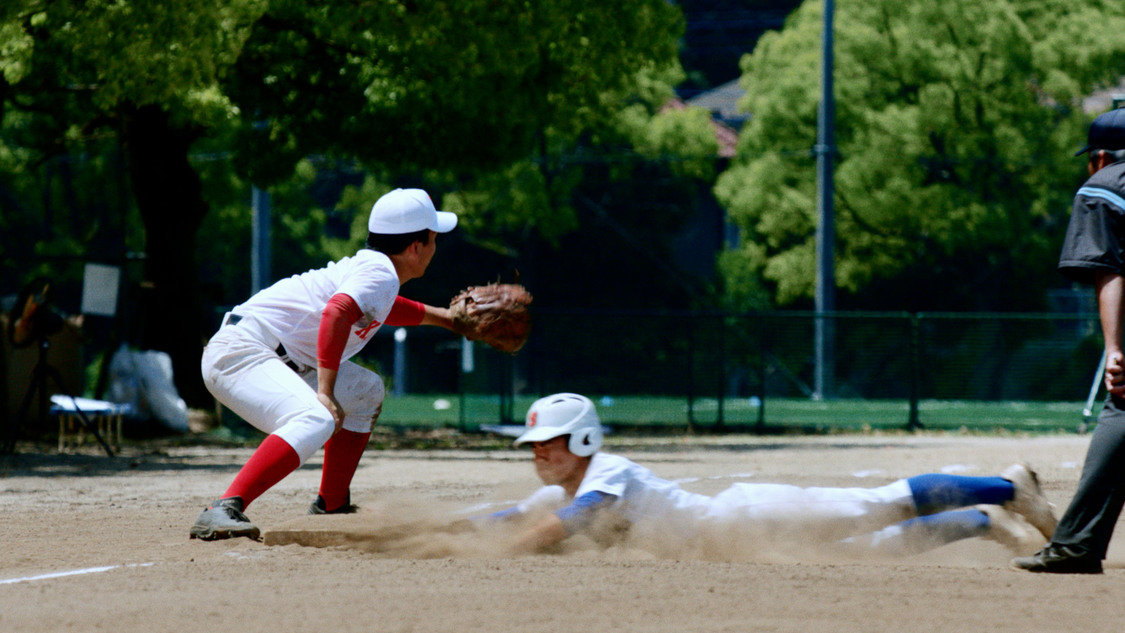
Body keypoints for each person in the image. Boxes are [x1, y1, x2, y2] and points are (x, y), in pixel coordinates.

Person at [483, 393, 1058, 559]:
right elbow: (515, 516)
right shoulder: (564, 488)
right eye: (532, 446)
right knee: (879, 548)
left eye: (546, 443)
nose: (536, 454)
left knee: (875, 507)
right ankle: (979, 521)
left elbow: (567, 522)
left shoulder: (606, 472)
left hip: (747, 517)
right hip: (739, 549)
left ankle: (1011, 489)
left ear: (581, 440)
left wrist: (507, 548)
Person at [190, 188, 459, 540]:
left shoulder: (376, 271)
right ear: (415, 247)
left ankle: (331, 504)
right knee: (317, 416)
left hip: (265, 353)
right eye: (434, 239)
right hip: (243, 354)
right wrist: (326, 392)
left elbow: (379, 307)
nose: (435, 248)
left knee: (366, 390)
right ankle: (222, 508)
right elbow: (337, 312)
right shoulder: (381, 273)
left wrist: (447, 319)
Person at [1012, 108, 1125, 574]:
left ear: (1100, 156)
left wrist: (1115, 347)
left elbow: (1110, 268)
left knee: (1123, 406)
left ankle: (1077, 544)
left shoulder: (1106, 185)